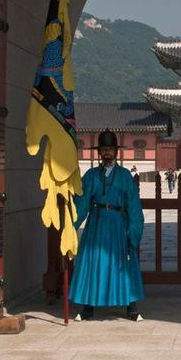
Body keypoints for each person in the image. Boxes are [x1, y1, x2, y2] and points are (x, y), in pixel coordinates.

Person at [71, 129, 145, 321]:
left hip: (118, 224)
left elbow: (134, 206)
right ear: (99, 153)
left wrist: (134, 231)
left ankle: (131, 306)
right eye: (103, 149)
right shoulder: (91, 175)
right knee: (93, 262)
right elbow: (82, 202)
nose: (107, 153)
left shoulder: (125, 176)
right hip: (96, 224)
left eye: (110, 149)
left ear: (116, 151)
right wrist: (71, 225)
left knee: (123, 263)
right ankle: (88, 305)